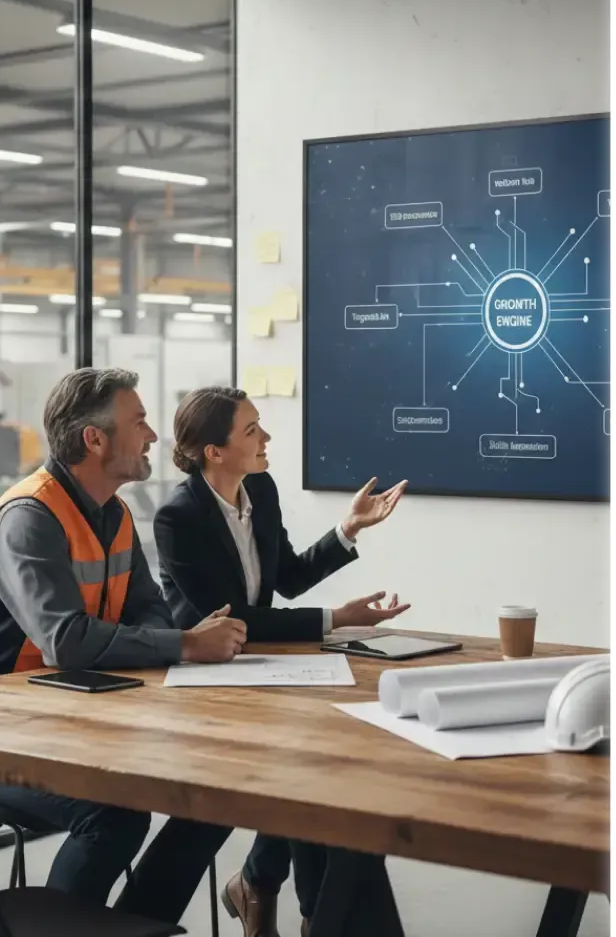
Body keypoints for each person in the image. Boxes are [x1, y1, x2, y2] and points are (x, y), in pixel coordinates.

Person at [0, 368, 243, 923]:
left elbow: (149, 609)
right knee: (113, 815)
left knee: (216, 793)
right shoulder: (27, 518)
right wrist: (185, 645)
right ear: (94, 439)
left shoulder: (115, 514)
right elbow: (67, 642)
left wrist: (171, 639)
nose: (153, 436)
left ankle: (130, 926)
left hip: (69, 719)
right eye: (139, 422)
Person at [153, 385, 410, 937]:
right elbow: (233, 618)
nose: (266, 437)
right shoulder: (178, 517)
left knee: (312, 768)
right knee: (307, 770)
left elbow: (288, 579)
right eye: (252, 430)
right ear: (214, 451)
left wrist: (348, 529)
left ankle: (265, 889)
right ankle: (304, 907)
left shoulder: (261, 490)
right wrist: (336, 618)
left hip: (262, 668)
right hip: (204, 683)